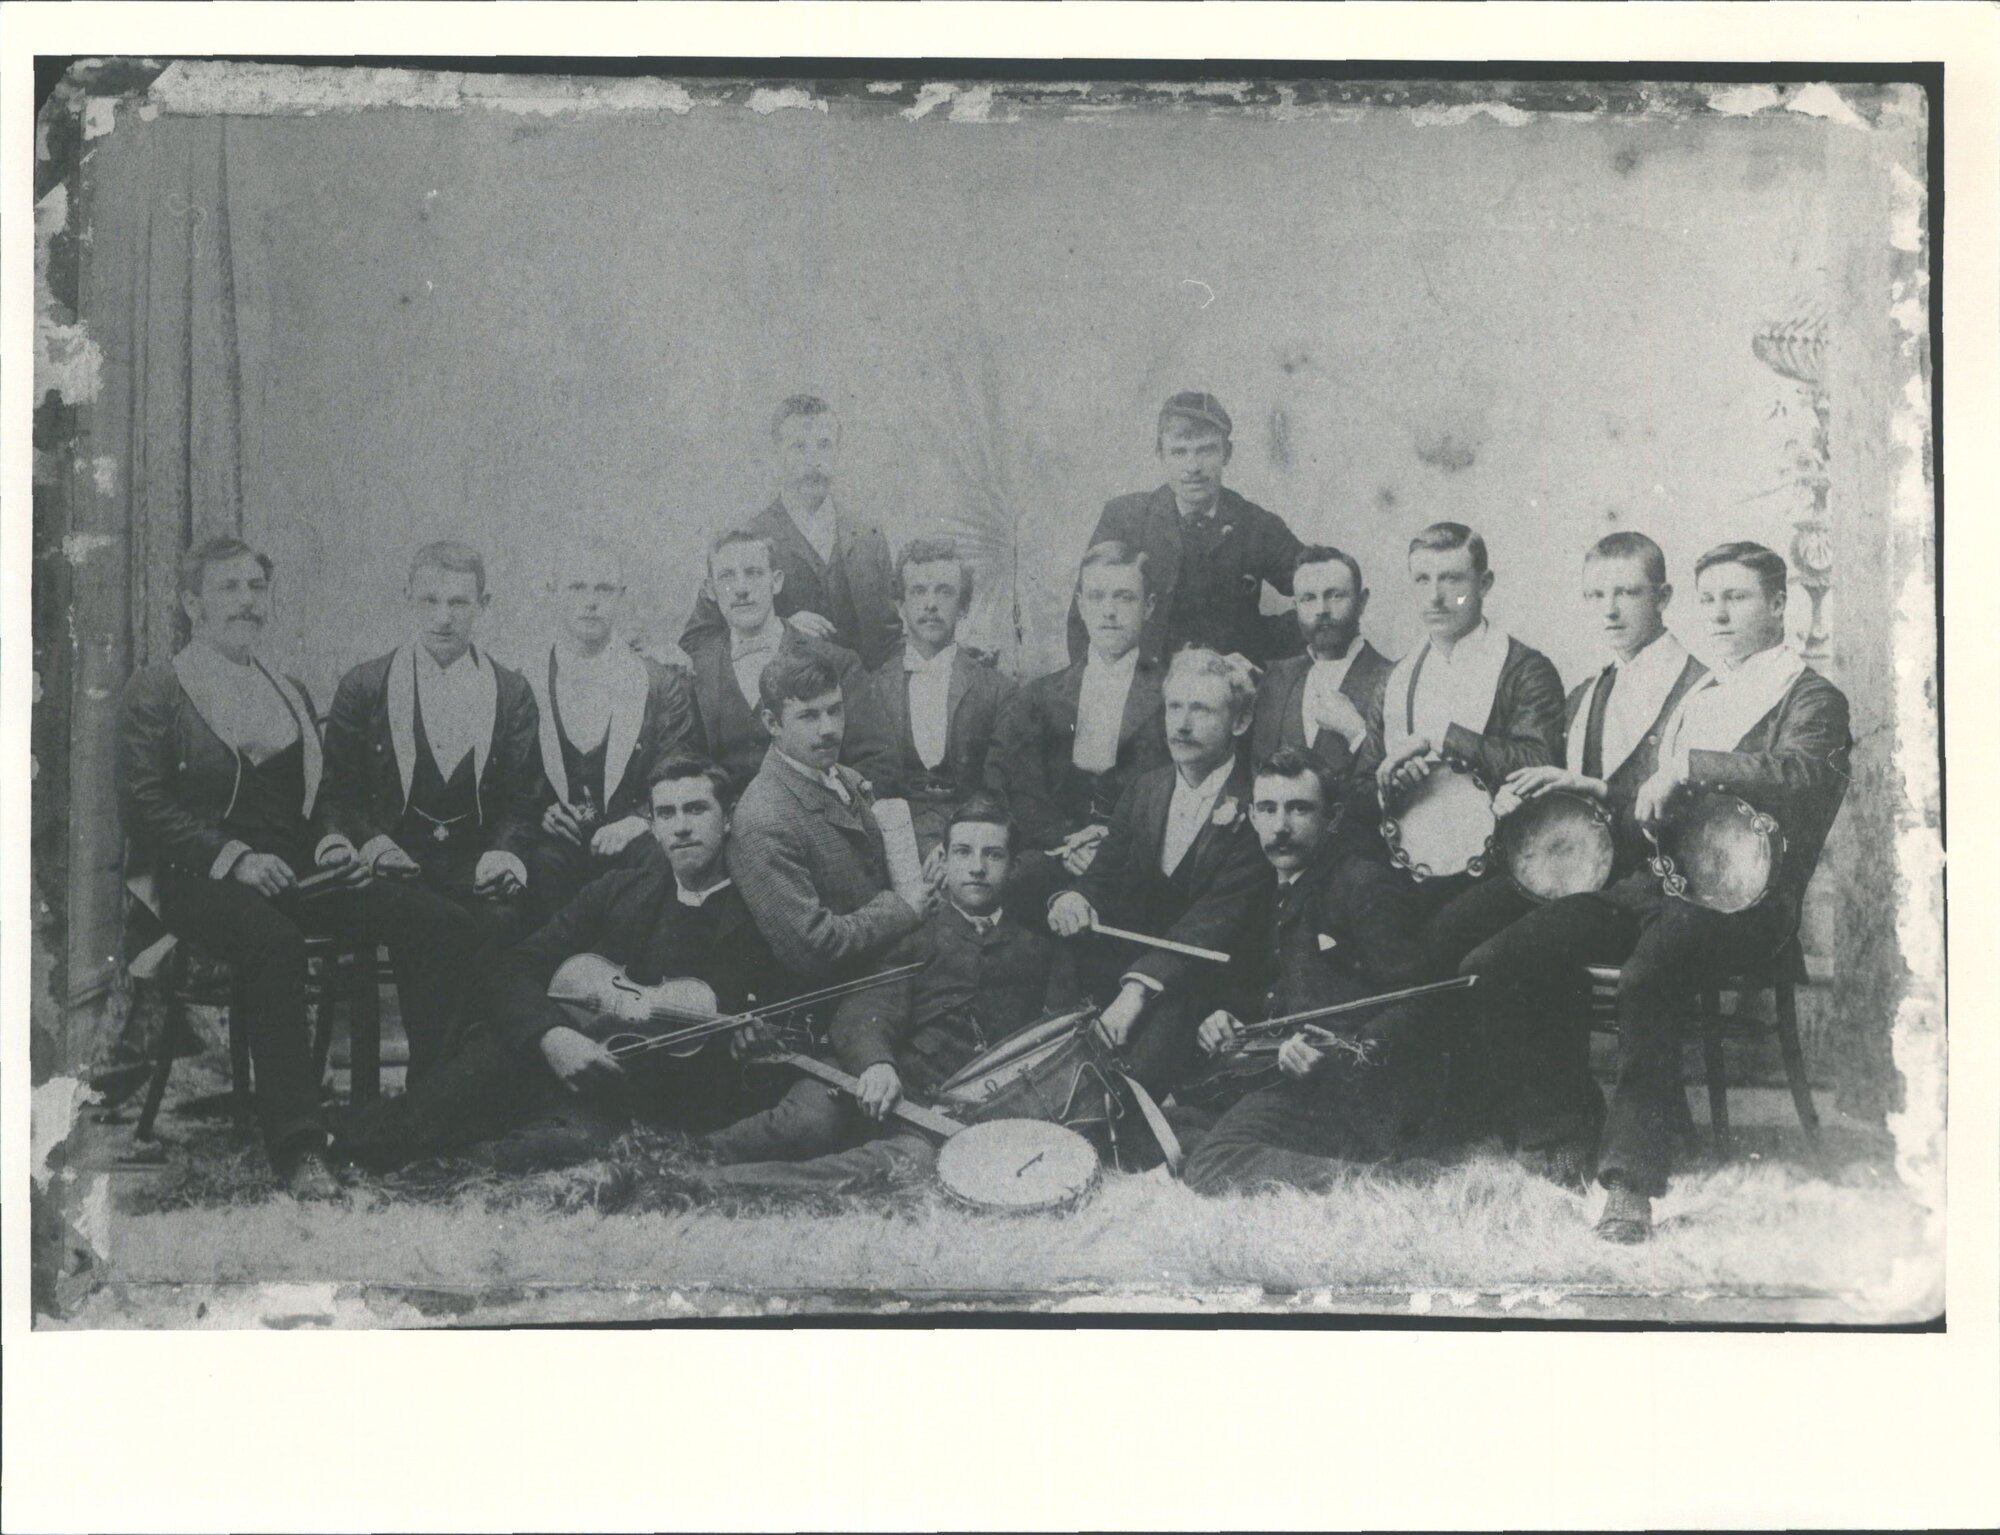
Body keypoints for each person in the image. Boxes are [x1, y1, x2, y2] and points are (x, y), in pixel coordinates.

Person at [1462, 541, 1851, 1242]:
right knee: (1502, 958)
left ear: (1779, 605)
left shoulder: (1809, 694)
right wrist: (1590, 789)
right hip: (1662, 887)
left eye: (1737, 597)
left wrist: (1689, 767)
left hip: (1748, 905)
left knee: (1647, 975)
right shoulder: (1705, 695)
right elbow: (1643, 802)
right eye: (1709, 599)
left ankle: (1631, 1183)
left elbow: (1801, 773)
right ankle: (1564, 1134)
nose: (1720, 614)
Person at [334, 756, 800, 1172]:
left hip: (648, 1103)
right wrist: (552, 1038)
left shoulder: (761, 911)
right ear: (653, 827)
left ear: (728, 819)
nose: (681, 827)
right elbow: (508, 967)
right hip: (562, 1063)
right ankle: (339, 1142)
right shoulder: (620, 890)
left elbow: (768, 1043)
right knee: (478, 1074)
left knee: (556, 1150)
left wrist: (754, 1053)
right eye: (666, 813)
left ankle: (443, 1166)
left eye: (697, 809)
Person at [1423, 531, 1707, 1157]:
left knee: (1496, 961)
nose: (1610, 609)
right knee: (1449, 929)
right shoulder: (1590, 691)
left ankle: (1561, 1131)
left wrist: (1598, 790)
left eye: (1627, 592)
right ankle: (1498, 1111)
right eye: (1596, 594)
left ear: (1662, 596)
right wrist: (1520, 801)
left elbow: (1693, 824)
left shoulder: (1701, 692)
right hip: (1580, 882)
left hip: (1651, 891)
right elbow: (1562, 801)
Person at [116, 538, 377, 1196]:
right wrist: (233, 857)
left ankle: (388, 1117)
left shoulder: (286, 688)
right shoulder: (159, 687)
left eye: (256, 587)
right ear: (192, 602)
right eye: (228, 588)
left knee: (398, 902)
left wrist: (331, 844)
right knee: (274, 939)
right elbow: (144, 805)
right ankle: (298, 1146)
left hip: (289, 866)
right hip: (193, 877)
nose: (245, 601)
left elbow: (316, 800)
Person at [700, 793, 1078, 1193]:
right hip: (860, 1079)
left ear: (1014, 866)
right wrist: (876, 1064)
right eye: (964, 852)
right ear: (943, 860)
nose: (978, 868)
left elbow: (1056, 1047)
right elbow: (868, 1008)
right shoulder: (914, 932)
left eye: (994, 855)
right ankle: (668, 1157)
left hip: (939, 1117)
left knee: (908, 1168)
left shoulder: (1039, 951)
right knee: (806, 1123)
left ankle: (711, 1186)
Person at [318, 541, 544, 1079]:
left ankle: (475, 1088)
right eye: (430, 601)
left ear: (484, 604)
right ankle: (432, 1088)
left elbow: (521, 800)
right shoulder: (366, 686)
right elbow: (336, 794)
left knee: (503, 922)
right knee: (432, 928)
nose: (443, 618)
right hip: (392, 867)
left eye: (460, 603)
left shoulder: (511, 692)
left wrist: (503, 855)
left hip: (472, 863)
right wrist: (372, 844)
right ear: (407, 599)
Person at [1183, 748, 1440, 1194]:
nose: (1281, 827)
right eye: (1268, 809)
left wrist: (1337, 1053)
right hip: (1292, 1076)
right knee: (1173, 1124)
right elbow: (1277, 985)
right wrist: (1223, 1017)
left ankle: (1391, 1184)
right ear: (1253, 815)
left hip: (1354, 1091)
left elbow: (1418, 1002)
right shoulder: (1273, 885)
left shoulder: (1362, 883)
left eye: (1300, 809)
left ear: (1333, 818)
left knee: (1211, 1164)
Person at [1046, 647, 1267, 1095]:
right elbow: (1105, 876)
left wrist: (1136, 993)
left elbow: (1211, 924)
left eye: (1202, 709)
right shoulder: (1147, 787)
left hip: (1205, 984)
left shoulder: (1259, 803)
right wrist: (1076, 898)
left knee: (1125, 1088)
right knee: (1063, 985)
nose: (1182, 724)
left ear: (1239, 723)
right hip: (1136, 971)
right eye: (1174, 707)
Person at [1365, 521, 1567, 902]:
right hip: (1406, 866)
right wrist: (1389, 783)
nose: (1436, 597)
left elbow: (1539, 764)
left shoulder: (1524, 669)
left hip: (1499, 871)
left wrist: (1449, 737)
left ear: (1484, 583)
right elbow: (1362, 779)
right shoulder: (1395, 677)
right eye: (1422, 580)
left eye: (1452, 580)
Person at [521, 538, 697, 916]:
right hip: (554, 845)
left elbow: (680, 765)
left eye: (603, 588)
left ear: (621, 594)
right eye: (577, 587)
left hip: (632, 837)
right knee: (538, 874)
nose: (591, 600)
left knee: (657, 868)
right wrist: (541, 811)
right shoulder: (525, 681)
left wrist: (639, 820)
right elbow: (511, 777)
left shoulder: (659, 681)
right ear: (553, 593)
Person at [1065, 391, 1305, 667]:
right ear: (1160, 453)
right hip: (1143, 692)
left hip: (1227, 695)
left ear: (1227, 453)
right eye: (1179, 452)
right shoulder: (1126, 518)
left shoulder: (1257, 525)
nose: (1193, 467)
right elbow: (1084, 618)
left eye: (1206, 450)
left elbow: (1325, 587)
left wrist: (1256, 646)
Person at [989, 541, 1169, 895]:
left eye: (1124, 597)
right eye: (1098, 597)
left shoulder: (1170, 694)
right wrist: (1067, 842)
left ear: (1148, 607)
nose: (1110, 611)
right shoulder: (1040, 696)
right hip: (1057, 851)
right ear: (1081, 605)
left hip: (1138, 853)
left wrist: (1111, 842)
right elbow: (1023, 788)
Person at [679, 395, 900, 670]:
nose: (814, 461)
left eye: (824, 445)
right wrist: (774, 633)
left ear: (839, 452)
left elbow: (892, 641)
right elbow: (697, 641)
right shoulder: (747, 540)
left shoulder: (869, 536)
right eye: (799, 447)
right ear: (776, 455)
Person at [685, 527, 896, 794]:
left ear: (776, 582)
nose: (741, 589)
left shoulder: (838, 662)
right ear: (711, 590)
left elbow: (878, 763)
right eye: (727, 576)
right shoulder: (697, 670)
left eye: (753, 573)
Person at [862, 537, 1017, 855]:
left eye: (944, 591)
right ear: (900, 605)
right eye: (918, 591)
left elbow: (998, 789)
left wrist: (953, 846)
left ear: (963, 606)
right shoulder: (872, 688)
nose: (930, 604)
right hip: (892, 842)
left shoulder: (998, 691)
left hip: (970, 842)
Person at [1247, 544, 1396, 781]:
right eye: (1308, 599)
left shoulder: (1395, 679)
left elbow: (1402, 788)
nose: (1321, 610)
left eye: (1335, 596)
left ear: (1362, 602)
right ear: (1296, 607)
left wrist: (1357, 732)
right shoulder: (1275, 679)